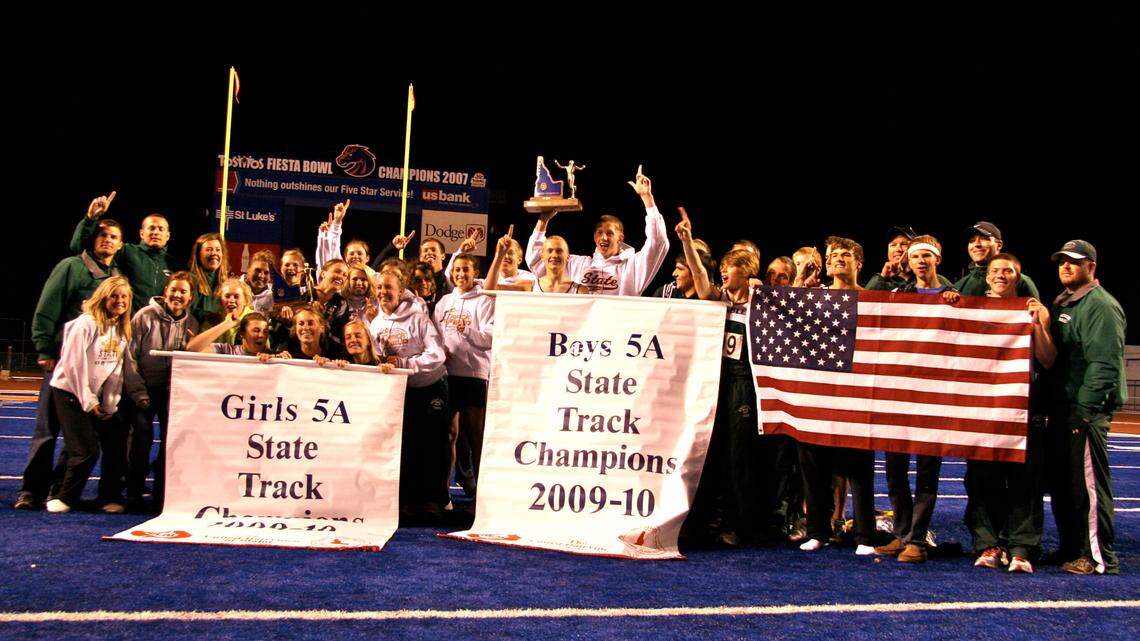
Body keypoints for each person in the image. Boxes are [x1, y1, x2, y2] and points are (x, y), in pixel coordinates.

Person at [676, 211, 774, 545]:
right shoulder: (719, 298)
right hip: (716, 380)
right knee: (712, 452)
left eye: (730, 267)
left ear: (746, 272)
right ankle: (709, 521)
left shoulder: (761, 302)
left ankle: (744, 525)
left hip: (744, 382)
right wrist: (687, 242)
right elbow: (701, 278)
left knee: (739, 458)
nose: (723, 271)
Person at [16, 218, 122, 510]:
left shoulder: (115, 275)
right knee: (48, 430)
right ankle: (31, 490)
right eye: (101, 235)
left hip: (93, 369)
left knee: (77, 437)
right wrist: (44, 348)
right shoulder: (71, 266)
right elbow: (47, 308)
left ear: (120, 244)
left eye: (113, 236)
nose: (107, 240)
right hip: (63, 362)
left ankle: (57, 488)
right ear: (91, 238)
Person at [963, 253, 1051, 574]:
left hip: (1021, 408)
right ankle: (988, 544)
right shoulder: (970, 308)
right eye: (995, 270)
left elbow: (1048, 358)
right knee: (981, 479)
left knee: (1024, 481)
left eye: (1008, 270)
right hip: (982, 410)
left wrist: (1039, 325)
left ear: (1018, 275)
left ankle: (1022, 546)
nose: (1001, 275)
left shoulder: (1032, 308)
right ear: (986, 276)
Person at [875, 234, 960, 563]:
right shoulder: (899, 294)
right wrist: (884, 275)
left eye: (926, 256)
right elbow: (868, 300)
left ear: (937, 259)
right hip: (899, 392)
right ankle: (901, 532)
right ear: (907, 263)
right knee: (895, 469)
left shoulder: (953, 295)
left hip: (933, 395)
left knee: (927, 471)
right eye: (915, 257)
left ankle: (918, 541)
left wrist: (958, 304)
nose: (921, 262)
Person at [1044, 240, 1125, 575]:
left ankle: (1097, 556)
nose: (1066, 267)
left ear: (1091, 266)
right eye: (1062, 262)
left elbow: (1104, 363)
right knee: (1065, 485)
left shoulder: (1100, 306)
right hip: (1065, 408)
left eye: (1074, 262)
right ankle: (1071, 546)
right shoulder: (1066, 301)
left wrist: (1086, 408)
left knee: (1088, 486)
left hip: (1084, 411)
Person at [796, 237, 876, 556]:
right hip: (819, 389)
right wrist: (801, 280)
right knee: (814, 462)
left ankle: (865, 534)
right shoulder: (815, 296)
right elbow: (787, 314)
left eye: (845, 255)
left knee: (859, 465)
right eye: (832, 255)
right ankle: (818, 529)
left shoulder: (873, 299)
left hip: (858, 391)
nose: (837, 259)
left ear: (859, 263)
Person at [45, 276, 132, 513]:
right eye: (114, 295)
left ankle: (109, 496)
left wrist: (110, 403)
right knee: (86, 450)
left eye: (124, 296)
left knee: (116, 443)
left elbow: (116, 370)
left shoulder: (122, 329)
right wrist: (89, 400)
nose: (119, 301)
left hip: (95, 394)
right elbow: (74, 366)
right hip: (70, 391)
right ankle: (65, 497)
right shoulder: (85, 324)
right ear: (103, 296)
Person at [370, 270, 449, 521]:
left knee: (433, 445)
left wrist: (405, 363)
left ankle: (434, 501)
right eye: (380, 287)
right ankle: (407, 500)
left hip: (431, 386)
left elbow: (437, 355)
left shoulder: (418, 318)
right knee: (407, 447)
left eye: (389, 287)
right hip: (402, 391)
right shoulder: (376, 323)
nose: (383, 292)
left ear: (400, 289)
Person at [525, 165, 668, 295]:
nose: (604, 238)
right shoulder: (578, 265)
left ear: (620, 238)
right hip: (584, 323)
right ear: (594, 237)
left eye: (610, 233)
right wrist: (543, 220)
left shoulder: (633, 267)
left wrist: (647, 198)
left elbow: (658, 243)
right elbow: (536, 260)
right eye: (599, 233)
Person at [120, 271, 197, 509]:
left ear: (190, 297)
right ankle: (133, 492)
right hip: (143, 388)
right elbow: (129, 356)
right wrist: (138, 393)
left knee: (170, 443)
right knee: (141, 438)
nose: (177, 295)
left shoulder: (191, 323)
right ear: (165, 291)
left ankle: (161, 496)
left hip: (171, 392)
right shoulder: (144, 316)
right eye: (173, 289)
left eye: (183, 291)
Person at [435, 252, 495, 499]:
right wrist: (440, 350)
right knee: (448, 435)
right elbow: (435, 334)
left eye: (466, 270)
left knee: (476, 438)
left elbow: (491, 337)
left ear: (475, 273)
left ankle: (482, 497)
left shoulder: (485, 300)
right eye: (457, 269)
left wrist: (467, 331)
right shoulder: (443, 302)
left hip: (474, 375)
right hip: (448, 375)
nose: (461, 274)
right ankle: (443, 494)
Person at [70, 191, 173, 312]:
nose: (156, 232)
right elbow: (81, 247)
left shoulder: (174, 263)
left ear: (168, 236)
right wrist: (91, 218)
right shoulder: (127, 251)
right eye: (151, 228)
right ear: (141, 233)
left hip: (157, 327)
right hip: (127, 324)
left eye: (161, 229)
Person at [954, 222, 1040, 298]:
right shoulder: (959, 285)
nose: (976, 244)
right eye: (972, 241)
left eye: (984, 238)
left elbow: (1036, 315)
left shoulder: (1021, 282)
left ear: (999, 245)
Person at [445, 229, 536, 292]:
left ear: (519, 259)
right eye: (501, 252)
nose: (505, 256)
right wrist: (461, 252)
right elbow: (452, 281)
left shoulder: (530, 278)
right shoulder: (486, 282)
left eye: (510, 252)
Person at [187, 233, 229, 328]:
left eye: (218, 250)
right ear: (198, 255)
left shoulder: (226, 283)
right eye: (209, 250)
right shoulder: (190, 280)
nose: (214, 253)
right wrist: (207, 315)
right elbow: (187, 310)